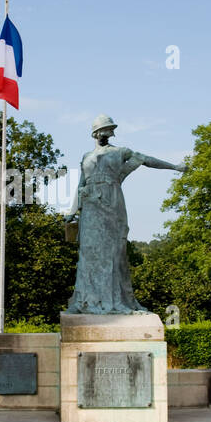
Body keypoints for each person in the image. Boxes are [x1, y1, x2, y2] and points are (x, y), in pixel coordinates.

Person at [64, 114, 185, 315]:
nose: (108, 133)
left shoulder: (120, 152)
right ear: (95, 133)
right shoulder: (86, 156)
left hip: (111, 201)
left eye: (110, 130)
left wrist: (174, 167)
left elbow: (146, 160)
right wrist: (71, 211)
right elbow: (80, 186)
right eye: (105, 129)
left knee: (114, 251)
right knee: (89, 252)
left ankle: (115, 299)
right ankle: (86, 300)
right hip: (90, 206)